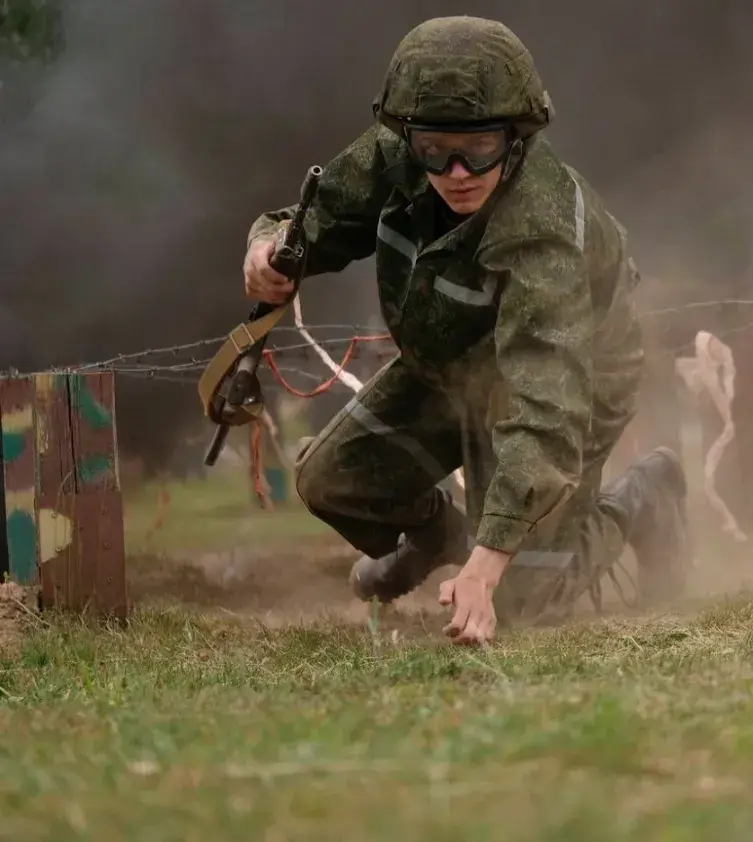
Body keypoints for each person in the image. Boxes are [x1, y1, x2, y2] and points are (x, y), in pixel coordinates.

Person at [241, 16, 690, 646]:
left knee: (529, 600)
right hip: (452, 363)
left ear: (516, 136)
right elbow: (311, 222)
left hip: (568, 383)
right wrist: (268, 250)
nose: (455, 170)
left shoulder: (542, 228)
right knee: (331, 481)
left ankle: (645, 496)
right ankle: (436, 537)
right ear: (408, 138)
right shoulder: (394, 154)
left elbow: (546, 415)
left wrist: (488, 565)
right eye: (434, 149)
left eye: (478, 148)